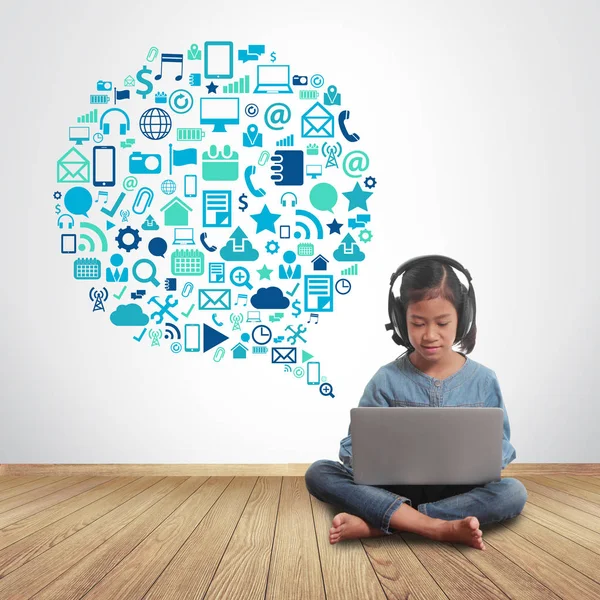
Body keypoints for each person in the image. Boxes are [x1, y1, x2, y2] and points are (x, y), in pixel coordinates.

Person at [304, 255, 527, 551]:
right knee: (319, 472)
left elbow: (500, 446)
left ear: (463, 317)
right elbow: (352, 446)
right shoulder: (385, 379)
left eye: (442, 322)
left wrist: (479, 461)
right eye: (418, 323)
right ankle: (436, 526)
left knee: (513, 492)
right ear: (400, 320)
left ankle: (384, 524)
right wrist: (370, 460)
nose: (430, 335)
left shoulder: (484, 379)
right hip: (393, 488)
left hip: (459, 491)